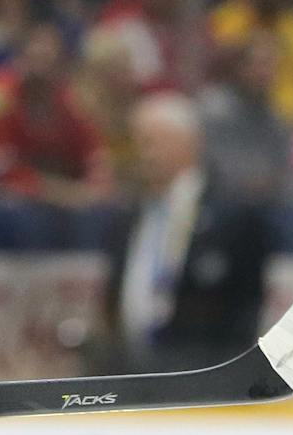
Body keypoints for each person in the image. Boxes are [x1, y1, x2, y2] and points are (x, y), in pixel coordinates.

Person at [102, 92, 272, 371]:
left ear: (189, 142)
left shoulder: (233, 216)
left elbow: (245, 307)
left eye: (152, 142)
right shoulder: (128, 216)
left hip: (202, 380)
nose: (145, 153)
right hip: (133, 377)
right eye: (138, 143)